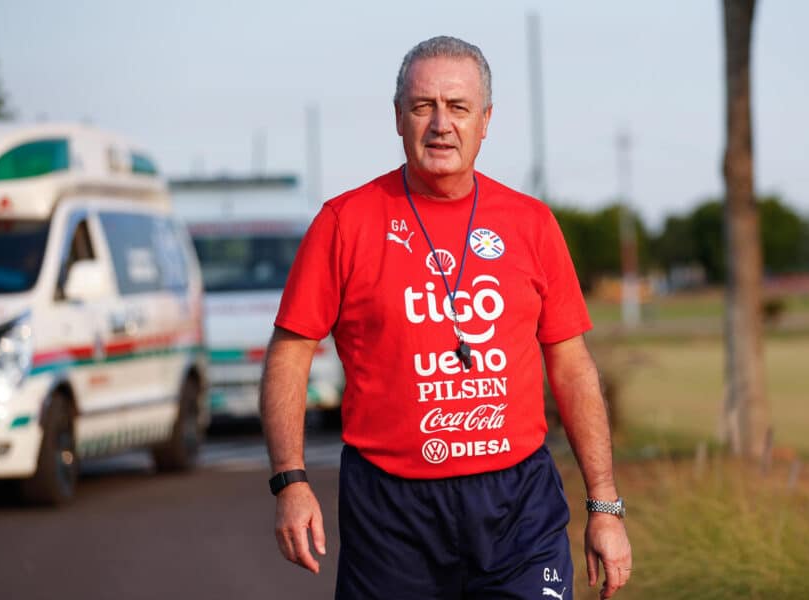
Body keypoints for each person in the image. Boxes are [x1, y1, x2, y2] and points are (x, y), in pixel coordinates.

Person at [261, 35, 632, 600]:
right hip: (392, 512)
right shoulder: (344, 222)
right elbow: (289, 355)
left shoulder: (531, 223)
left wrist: (604, 507)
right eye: (422, 106)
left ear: (485, 121)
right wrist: (291, 481)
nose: (440, 124)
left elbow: (572, 365)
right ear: (397, 118)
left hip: (517, 509)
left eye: (457, 108)